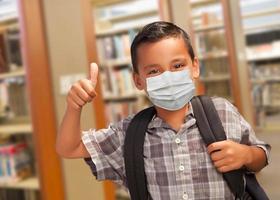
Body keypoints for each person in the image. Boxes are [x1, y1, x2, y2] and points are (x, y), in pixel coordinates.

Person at [56, 21, 270, 199]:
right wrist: (74, 107)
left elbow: (261, 154)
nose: (168, 77)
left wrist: (247, 155)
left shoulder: (222, 111)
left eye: (177, 66)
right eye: (154, 71)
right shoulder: (128, 134)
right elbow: (69, 148)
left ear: (194, 67)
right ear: (138, 81)